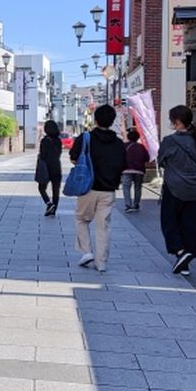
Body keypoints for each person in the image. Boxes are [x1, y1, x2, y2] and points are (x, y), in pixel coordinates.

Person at [70, 105, 126, 273]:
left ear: (95, 120)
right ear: (112, 121)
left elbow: (73, 158)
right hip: (108, 190)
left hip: (87, 188)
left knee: (81, 219)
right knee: (103, 226)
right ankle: (101, 263)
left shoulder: (85, 138)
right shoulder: (118, 143)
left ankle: (87, 252)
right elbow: (123, 165)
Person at [157, 105, 196, 276]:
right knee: (190, 224)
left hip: (174, 187)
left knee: (169, 222)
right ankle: (185, 263)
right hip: (195, 188)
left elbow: (161, 160)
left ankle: (180, 252)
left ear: (176, 121)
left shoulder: (170, 141)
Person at [36, 120, 62, 217]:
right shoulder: (58, 140)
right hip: (57, 167)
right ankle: (53, 210)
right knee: (56, 190)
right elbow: (59, 153)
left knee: (41, 188)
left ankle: (49, 203)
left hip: (46, 168)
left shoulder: (45, 141)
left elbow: (43, 155)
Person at [122, 129, 150, 213]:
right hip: (139, 170)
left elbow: (120, 157)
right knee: (138, 187)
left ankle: (128, 205)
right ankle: (136, 204)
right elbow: (147, 158)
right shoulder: (141, 147)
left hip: (126, 169)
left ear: (128, 137)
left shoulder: (124, 146)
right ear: (138, 137)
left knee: (126, 187)